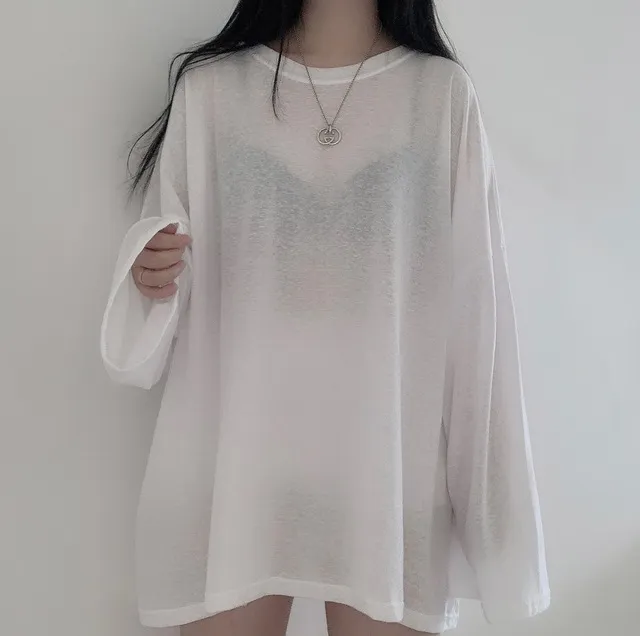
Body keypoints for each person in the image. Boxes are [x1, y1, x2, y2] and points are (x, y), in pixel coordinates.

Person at [100, 1, 551, 634]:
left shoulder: (439, 95)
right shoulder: (212, 92)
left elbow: (478, 320)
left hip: (387, 470)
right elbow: (150, 331)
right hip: (235, 469)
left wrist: (498, 529)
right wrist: (152, 274)